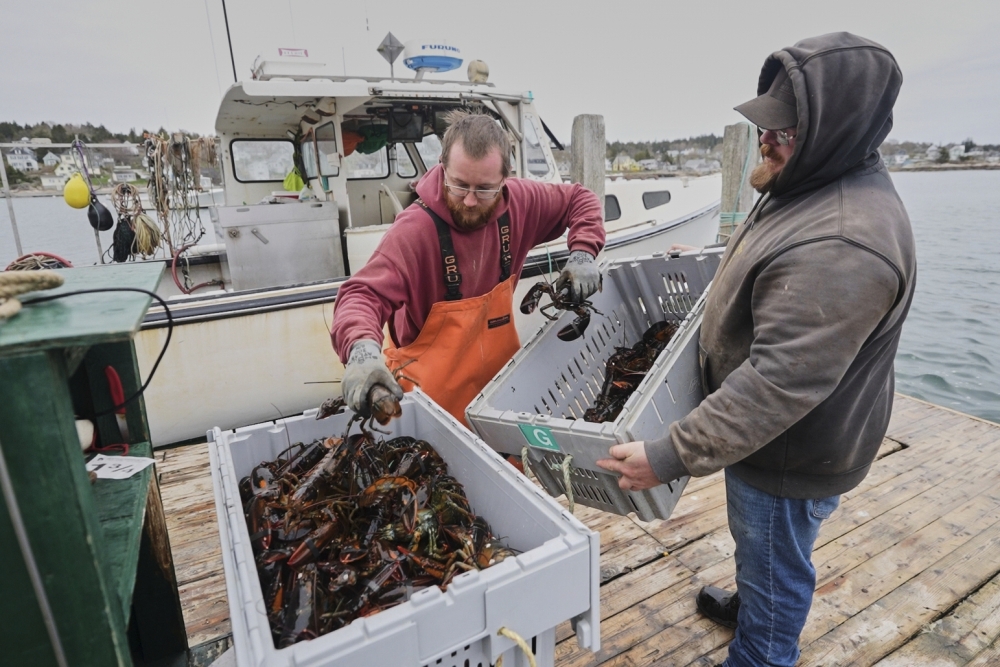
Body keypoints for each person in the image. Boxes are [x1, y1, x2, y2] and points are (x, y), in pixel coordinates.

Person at [596, 32, 916, 667]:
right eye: (766, 125)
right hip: (776, 444)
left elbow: (779, 383)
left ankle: (763, 648)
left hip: (792, 452)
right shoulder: (812, 182)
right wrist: (718, 267)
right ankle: (757, 602)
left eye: (784, 131)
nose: (766, 140)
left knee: (776, 554)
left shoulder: (846, 242)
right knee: (764, 547)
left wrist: (669, 454)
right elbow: (778, 271)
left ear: (835, 131)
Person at [331, 110, 605, 426]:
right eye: (459, 185)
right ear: (443, 168)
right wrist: (361, 351)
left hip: (496, 397)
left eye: (484, 189)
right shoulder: (414, 230)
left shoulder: (520, 202)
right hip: (428, 401)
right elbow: (361, 295)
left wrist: (583, 252)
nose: (471, 201)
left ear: (506, 179)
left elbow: (579, 198)